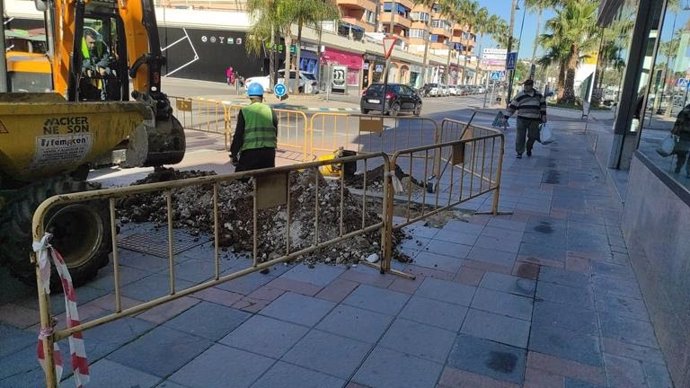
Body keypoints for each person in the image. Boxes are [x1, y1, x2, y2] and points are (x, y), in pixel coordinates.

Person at [229, 83, 279, 172]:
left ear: (249, 97)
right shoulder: (270, 111)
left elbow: (238, 135)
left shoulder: (245, 111)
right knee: (266, 180)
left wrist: (233, 154)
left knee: (242, 180)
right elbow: (275, 132)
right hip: (269, 153)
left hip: (250, 154)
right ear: (262, 96)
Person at [503, 79, 547, 158]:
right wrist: (506, 117)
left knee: (533, 136)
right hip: (521, 119)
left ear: (532, 86)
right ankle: (519, 152)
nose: (526, 87)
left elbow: (543, 106)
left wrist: (544, 116)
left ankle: (529, 148)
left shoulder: (539, 95)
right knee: (520, 136)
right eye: (525, 85)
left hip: (534, 120)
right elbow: (512, 107)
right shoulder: (520, 95)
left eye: (528, 85)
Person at [671, 103, 690, 177]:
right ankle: (688, 172)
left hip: (684, 134)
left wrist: (674, 131)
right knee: (682, 152)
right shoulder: (686, 110)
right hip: (685, 134)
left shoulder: (686, 109)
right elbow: (679, 121)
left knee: (682, 152)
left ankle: (679, 168)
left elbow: (678, 121)